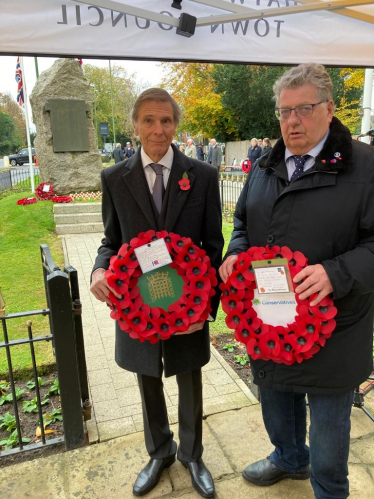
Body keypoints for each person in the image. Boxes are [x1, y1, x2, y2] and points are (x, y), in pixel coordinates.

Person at [219, 63, 374, 499]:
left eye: (303, 109)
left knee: (328, 429)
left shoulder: (365, 167)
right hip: (270, 321)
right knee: (276, 401)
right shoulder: (265, 165)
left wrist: (334, 273)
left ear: (328, 109)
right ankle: (288, 458)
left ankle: (329, 488)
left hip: (335, 328)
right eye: (284, 112)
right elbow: (243, 222)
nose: (292, 121)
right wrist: (235, 252)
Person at [90, 88, 223, 498]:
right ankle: (159, 451)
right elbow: (111, 240)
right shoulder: (115, 178)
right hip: (138, 307)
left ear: (176, 125)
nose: (158, 129)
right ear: (135, 126)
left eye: (166, 120)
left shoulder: (201, 175)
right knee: (147, 379)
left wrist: (207, 305)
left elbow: (213, 245)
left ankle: (192, 454)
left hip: (187, 307)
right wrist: (99, 268)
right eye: (149, 120)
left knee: (189, 378)